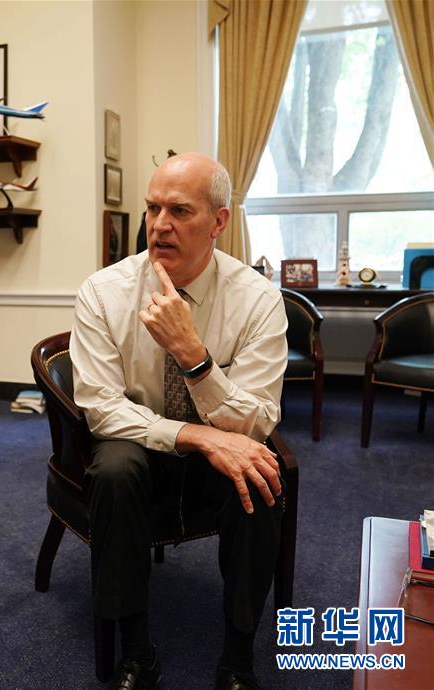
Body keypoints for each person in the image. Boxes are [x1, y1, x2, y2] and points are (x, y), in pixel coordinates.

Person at [70, 152, 287, 690]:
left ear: (218, 221)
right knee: (114, 469)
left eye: (180, 211)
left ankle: (238, 654)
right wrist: (192, 435)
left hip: (221, 454)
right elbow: (101, 405)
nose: (160, 225)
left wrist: (194, 357)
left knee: (260, 471)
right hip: (140, 445)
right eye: (153, 209)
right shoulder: (104, 292)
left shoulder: (258, 300)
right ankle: (135, 651)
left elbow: (257, 420)